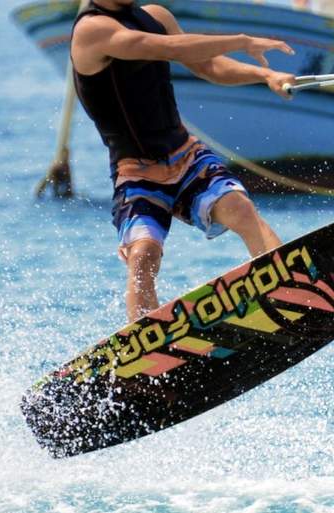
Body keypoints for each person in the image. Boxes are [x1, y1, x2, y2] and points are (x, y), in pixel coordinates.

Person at [70, 0, 295, 321]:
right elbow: (168, 48)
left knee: (241, 209)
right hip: (137, 172)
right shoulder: (92, 30)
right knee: (143, 255)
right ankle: (145, 345)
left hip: (186, 156)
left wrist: (266, 74)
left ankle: (290, 292)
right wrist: (242, 41)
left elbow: (209, 66)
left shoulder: (157, 16)